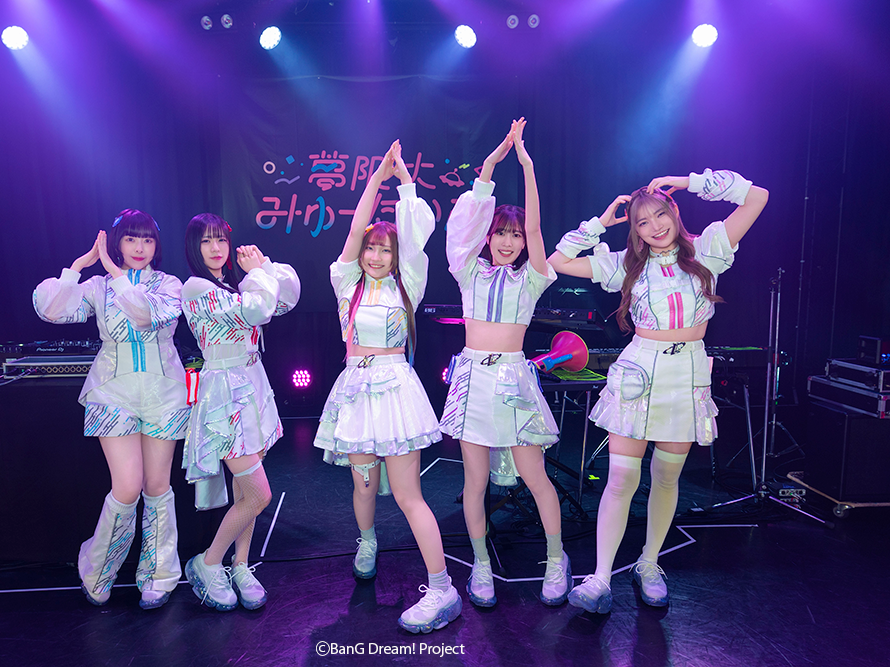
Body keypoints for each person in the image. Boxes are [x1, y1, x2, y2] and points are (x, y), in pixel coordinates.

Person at [547, 169, 768, 613]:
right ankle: (600, 577)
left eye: (660, 215)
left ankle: (649, 563)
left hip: (686, 374)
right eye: (642, 222)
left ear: (674, 212)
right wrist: (600, 224)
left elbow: (757, 196)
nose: (654, 227)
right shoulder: (626, 264)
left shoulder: (709, 248)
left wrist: (689, 181)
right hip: (639, 371)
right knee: (621, 478)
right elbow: (557, 262)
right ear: (635, 230)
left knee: (666, 477)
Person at [313, 140, 460, 634]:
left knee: (407, 494)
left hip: (396, 389)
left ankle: (441, 587)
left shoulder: (407, 284)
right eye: (371, 248)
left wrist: (405, 183)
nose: (376, 255)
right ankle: (368, 540)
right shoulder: (345, 282)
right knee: (363, 485)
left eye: (385, 249)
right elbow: (355, 227)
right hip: (356, 391)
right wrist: (375, 178)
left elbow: (416, 240)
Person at [440, 119, 570, 609]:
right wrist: (490, 166)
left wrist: (526, 166)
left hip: (514, 381)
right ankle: (480, 563)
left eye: (514, 235)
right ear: (489, 236)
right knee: (473, 482)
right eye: (501, 233)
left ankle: (556, 559)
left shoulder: (532, 278)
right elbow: (463, 226)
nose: (509, 241)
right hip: (473, 379)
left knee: (535, 477)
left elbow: (536, 229)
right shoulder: (468, 271)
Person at [33, 210, 189, 610]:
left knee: (158, 486)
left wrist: (114, 273)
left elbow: (145, 316)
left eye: (148, 240)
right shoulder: (97, 285)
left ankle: (158, 575)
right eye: (131, 239)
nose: (140, 247)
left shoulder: (169, 285)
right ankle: (97, 570)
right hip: (111, 391)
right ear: (117, 242)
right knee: (127, 486)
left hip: (163, 391)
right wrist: (79, 267)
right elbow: (50, 310)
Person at [179, 213, 300, 612]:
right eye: (206, 241)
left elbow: (286, 298)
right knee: (260, 494)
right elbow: (257, 310)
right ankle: (208, 562)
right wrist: (258, 275)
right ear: (194, 248)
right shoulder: (196, 287)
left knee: (245, 491)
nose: (216, 248)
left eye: (221, 240)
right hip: (224, 391)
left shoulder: (234, 286)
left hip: (252, 383)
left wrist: (264, 266)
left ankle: (241, 565)